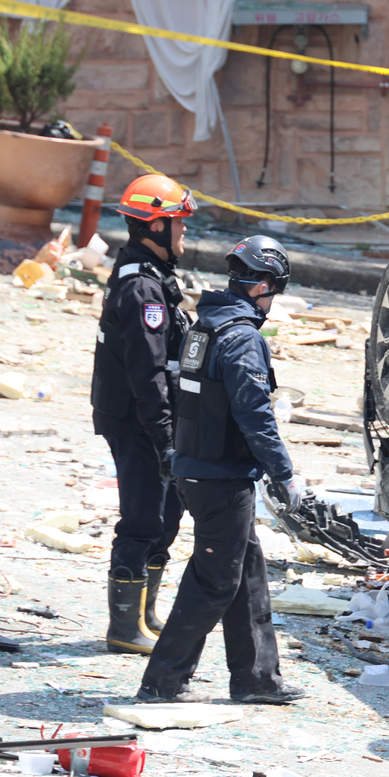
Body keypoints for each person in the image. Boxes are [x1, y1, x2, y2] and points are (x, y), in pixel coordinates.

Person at [137, 237, 305, 705]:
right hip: (221, 477)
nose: (273, 302)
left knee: (246, 572)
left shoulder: (203, 327)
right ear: (264, 286)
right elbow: (254, 414)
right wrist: (283, 472)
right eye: (274, 292)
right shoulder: (242, 338)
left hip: (195, 469)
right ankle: (162, 681)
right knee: (214, 581)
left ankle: (256, 679)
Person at [91, 174, 195, 655]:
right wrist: (166, 438)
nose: (184, 233)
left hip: (153, 416)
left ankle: (144, 614)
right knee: (142, 518)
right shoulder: (141, 291)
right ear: (155, 227)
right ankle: (123, 628)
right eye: (179, 224)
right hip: (138, 419)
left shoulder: (156, 280)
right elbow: (148, 372)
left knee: (167, 515)